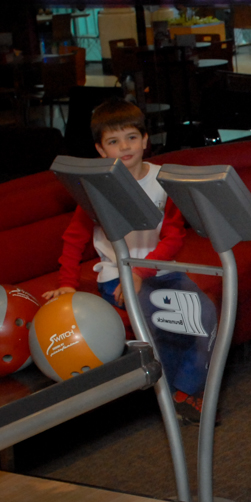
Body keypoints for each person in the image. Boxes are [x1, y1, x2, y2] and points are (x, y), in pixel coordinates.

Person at [45, 98, 218, 425]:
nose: (124, 147)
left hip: (159, 272)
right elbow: (74, 238)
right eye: (113, 141)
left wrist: (142, 271)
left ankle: (185, 388)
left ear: (145, 140)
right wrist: (66, 284)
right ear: (100, 149)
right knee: (164, 317)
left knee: (203, 313)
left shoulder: (163, 180)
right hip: (117, 276)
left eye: (131, 137)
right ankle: (170, 393)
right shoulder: (96, 187)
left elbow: (173, 237)